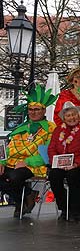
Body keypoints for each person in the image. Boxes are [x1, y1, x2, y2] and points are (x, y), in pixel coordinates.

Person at [0, 84, 57, 217]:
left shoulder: (51, 128)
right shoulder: (22, 126)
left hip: (34, 164)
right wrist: (2, 162)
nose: (33, 112)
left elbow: (49, 151)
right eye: (30, 109)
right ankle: (28, 195)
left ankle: (20, 204)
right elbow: (9, 148)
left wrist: (27, 161)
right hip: (12, 163)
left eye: (37, 109)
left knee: (15, 177)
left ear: (44, 110)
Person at [48, 101, 80, 221]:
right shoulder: (58, 130)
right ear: (64, 118)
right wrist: (56, 162)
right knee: (53, 175)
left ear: (79, 115)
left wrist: (76, 163)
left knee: (72, 175)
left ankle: (75, 209)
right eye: (68, 115)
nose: (71, 118)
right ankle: (64, 208)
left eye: (74, 114)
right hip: (62, 163)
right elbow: (51, 148)